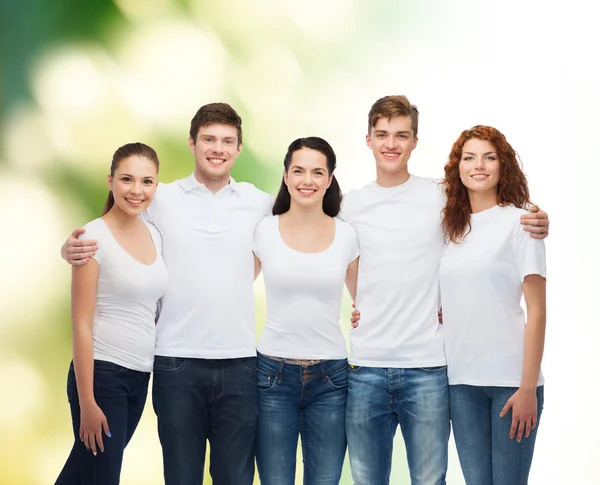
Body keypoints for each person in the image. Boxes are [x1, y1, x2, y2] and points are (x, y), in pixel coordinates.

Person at [61, 103, 274, 485]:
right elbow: (114, 228)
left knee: (236, 477)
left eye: (227, 141)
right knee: (179, 476)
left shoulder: (259, 202)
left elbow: (302, 229)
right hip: (175, 362)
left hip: (240, 362)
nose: (218, 148)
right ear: (192, 143)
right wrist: (70, 249)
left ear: (239, 149)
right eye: (209, 138)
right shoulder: (161, 198)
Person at [341, 96, 550, 485]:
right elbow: (327, 245)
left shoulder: (446, 200)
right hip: (420, 371)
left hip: (437, 367)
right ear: (367, 139)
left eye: (401, 134)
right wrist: (361, 301)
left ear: (415, 141)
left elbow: (497, 220)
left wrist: (538, 217)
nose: (391, 143)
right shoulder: (352, 205)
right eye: (382, 134)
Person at [56, 142, 169, 485]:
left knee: (83, 474)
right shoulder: (92, 238)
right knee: (100, 478)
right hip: (103, 376)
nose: (137, 190)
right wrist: (88, 402)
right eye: (127, 180)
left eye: (146, 181)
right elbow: (81, 324)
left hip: (139, 377)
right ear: (110, 181)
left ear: (156, 186)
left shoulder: (154, 233)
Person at [439, 126, 546, 485]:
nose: (478, 165)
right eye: (469, 158)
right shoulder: (450, 230)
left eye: (489, 157)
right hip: (460, 382)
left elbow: (538, 310)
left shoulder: (522, 222)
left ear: (504, 165)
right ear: (458, 168)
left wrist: (528, 387)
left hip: (511, 382)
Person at [253, 137, 359, 485]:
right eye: (298, 171)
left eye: (317, 172)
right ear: (285, 176)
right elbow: (231, 289)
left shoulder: (346, 235)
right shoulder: (265, 230)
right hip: (272, 375)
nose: (307, 181)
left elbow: (368, 301)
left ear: (329, 180)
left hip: (331, 379)